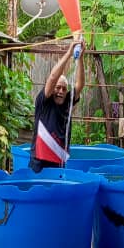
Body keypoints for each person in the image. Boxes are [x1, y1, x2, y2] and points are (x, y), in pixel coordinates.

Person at [29, 39, 86, 172]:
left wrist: (81, 58)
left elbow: (80, 84)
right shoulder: (43, 101)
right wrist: (69, 53)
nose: (60, 91)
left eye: (64, 89)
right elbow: (53, 77)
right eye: (58, 88)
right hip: (39, 160)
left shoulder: (68, 101)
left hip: (58, 159)